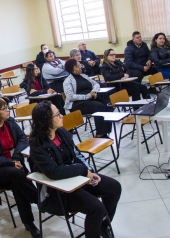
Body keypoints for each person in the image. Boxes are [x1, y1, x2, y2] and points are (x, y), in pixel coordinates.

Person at [29, 101, 121, 238]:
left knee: (114, 187)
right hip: (58, 191)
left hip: (76, 178)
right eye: (57, 115)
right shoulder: (37, 145)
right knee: (96, 209)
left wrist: (90, 172)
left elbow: (77, 154)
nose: (62, 116)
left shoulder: (62, 132)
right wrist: (83, 171)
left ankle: (103, 225)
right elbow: (54, 172)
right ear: (46, 120)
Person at [0, 98, 40, 238]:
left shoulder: (10, 122)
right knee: (16, 172)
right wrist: (11, 163)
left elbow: (22, 139)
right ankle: (39, 199)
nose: (8, 110)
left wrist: (16, 158)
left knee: (17, 181)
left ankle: (29, 223)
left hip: (14, 166)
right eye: (4, 108)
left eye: (7, 107)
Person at [63, 59, 113, 138]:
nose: (80, 68)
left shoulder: (84, 76)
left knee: (108, 104)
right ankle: (100, 134)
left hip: (89, 99)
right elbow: (70, 97)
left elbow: (96, 84)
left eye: (80, 66)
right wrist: (88, 96)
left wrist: (94, 91)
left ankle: (107, 130)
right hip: (76, 103)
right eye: (77, 67)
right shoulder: (67, 81)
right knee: (99, 106)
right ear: (71, 69)